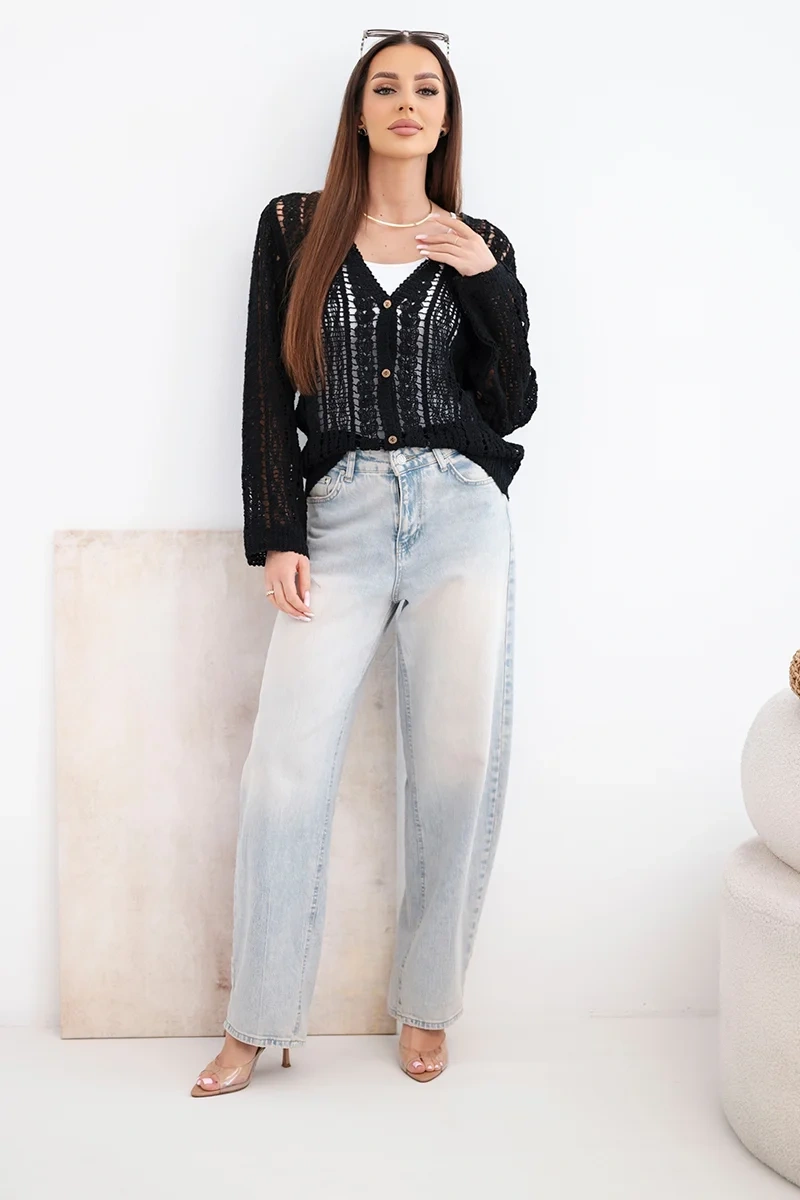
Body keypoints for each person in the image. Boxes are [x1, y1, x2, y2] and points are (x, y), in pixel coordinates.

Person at [191, 28, 537, 1097]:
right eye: (385, 87)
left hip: (461, 512)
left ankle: (427, 1001)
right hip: (337, 512)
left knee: (456, 761)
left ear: (446, 117)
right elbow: (264, 386)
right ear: (358, 112)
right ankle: (256, 1021)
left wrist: (487, 283)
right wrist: (277, 532)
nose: (406, 102)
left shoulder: (477, 241)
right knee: (283, 767)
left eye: (426, 88)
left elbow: (513, 404)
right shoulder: (293, 227)